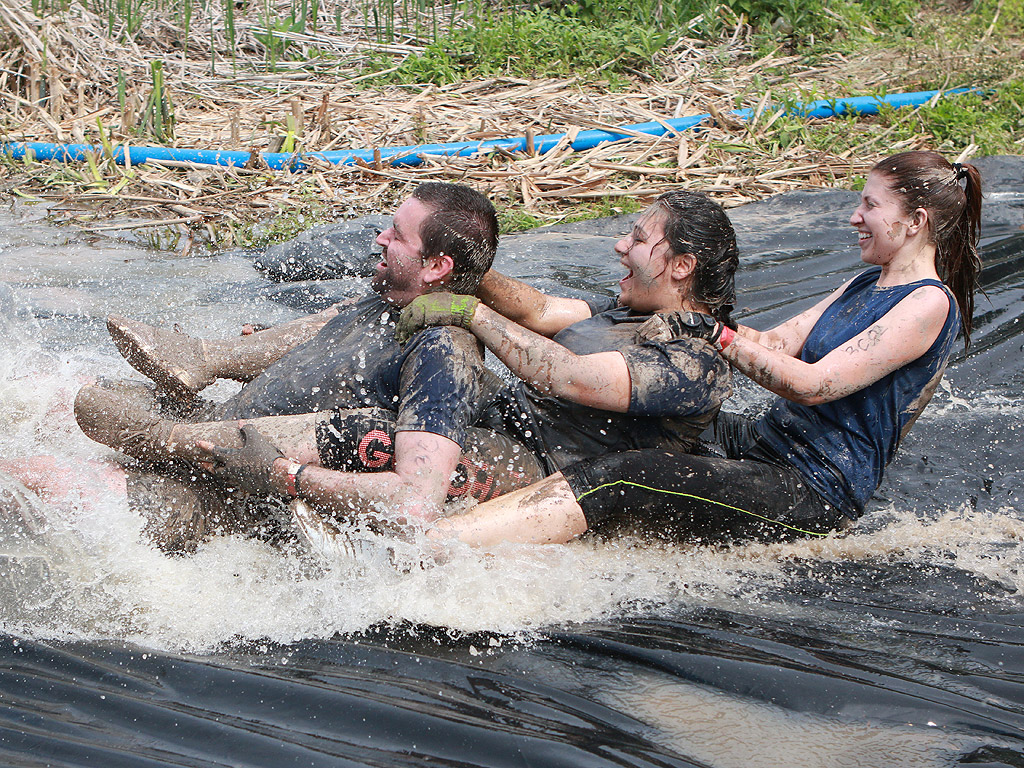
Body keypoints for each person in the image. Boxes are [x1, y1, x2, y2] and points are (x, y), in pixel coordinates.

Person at [411, 150, 981, 549]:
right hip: (761, 442)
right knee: (654, 427)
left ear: (916, 222)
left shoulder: (928, 303)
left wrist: (711, 335)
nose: (854, 217)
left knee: (630, 475)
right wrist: (698, 321)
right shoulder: (867, 281)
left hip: (812, 487)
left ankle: (439, 544)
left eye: (870, 206)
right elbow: (777, 344)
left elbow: (814, 385)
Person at [198, 190, 739, 549]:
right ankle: (217, 397)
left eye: (640, 240)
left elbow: (569, 376)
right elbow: (537, 311)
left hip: (541, 468)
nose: (621, 246)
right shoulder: (623, 310)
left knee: (370, 438)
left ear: (682, 266)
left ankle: (265, 475)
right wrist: (457, 262)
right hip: (500, 422)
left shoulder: (695, 362)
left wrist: (469, 309)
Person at [73, 182, 543, 553]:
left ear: (437, 267)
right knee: (65, 401)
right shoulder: (387, 299)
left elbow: (415, 503)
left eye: (397, 235)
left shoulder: (444, 352)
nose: (380, 238)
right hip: (207, 444)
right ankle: (188, 380)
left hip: (230, 497)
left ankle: (154, 435)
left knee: (48, 484)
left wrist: (283, 474)